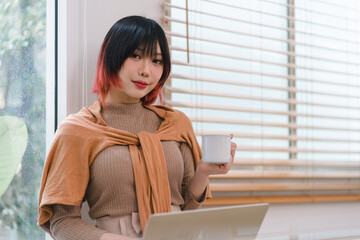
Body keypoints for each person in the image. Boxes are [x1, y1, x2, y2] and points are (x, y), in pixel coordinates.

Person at [38, 15, 237, 240]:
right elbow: (61, 222)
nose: (146, 71)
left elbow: (187, 211)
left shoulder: (175, 124)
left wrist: (203, 172)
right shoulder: (78, 130)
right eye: (136, 55)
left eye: (157, 61)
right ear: (111, 56)